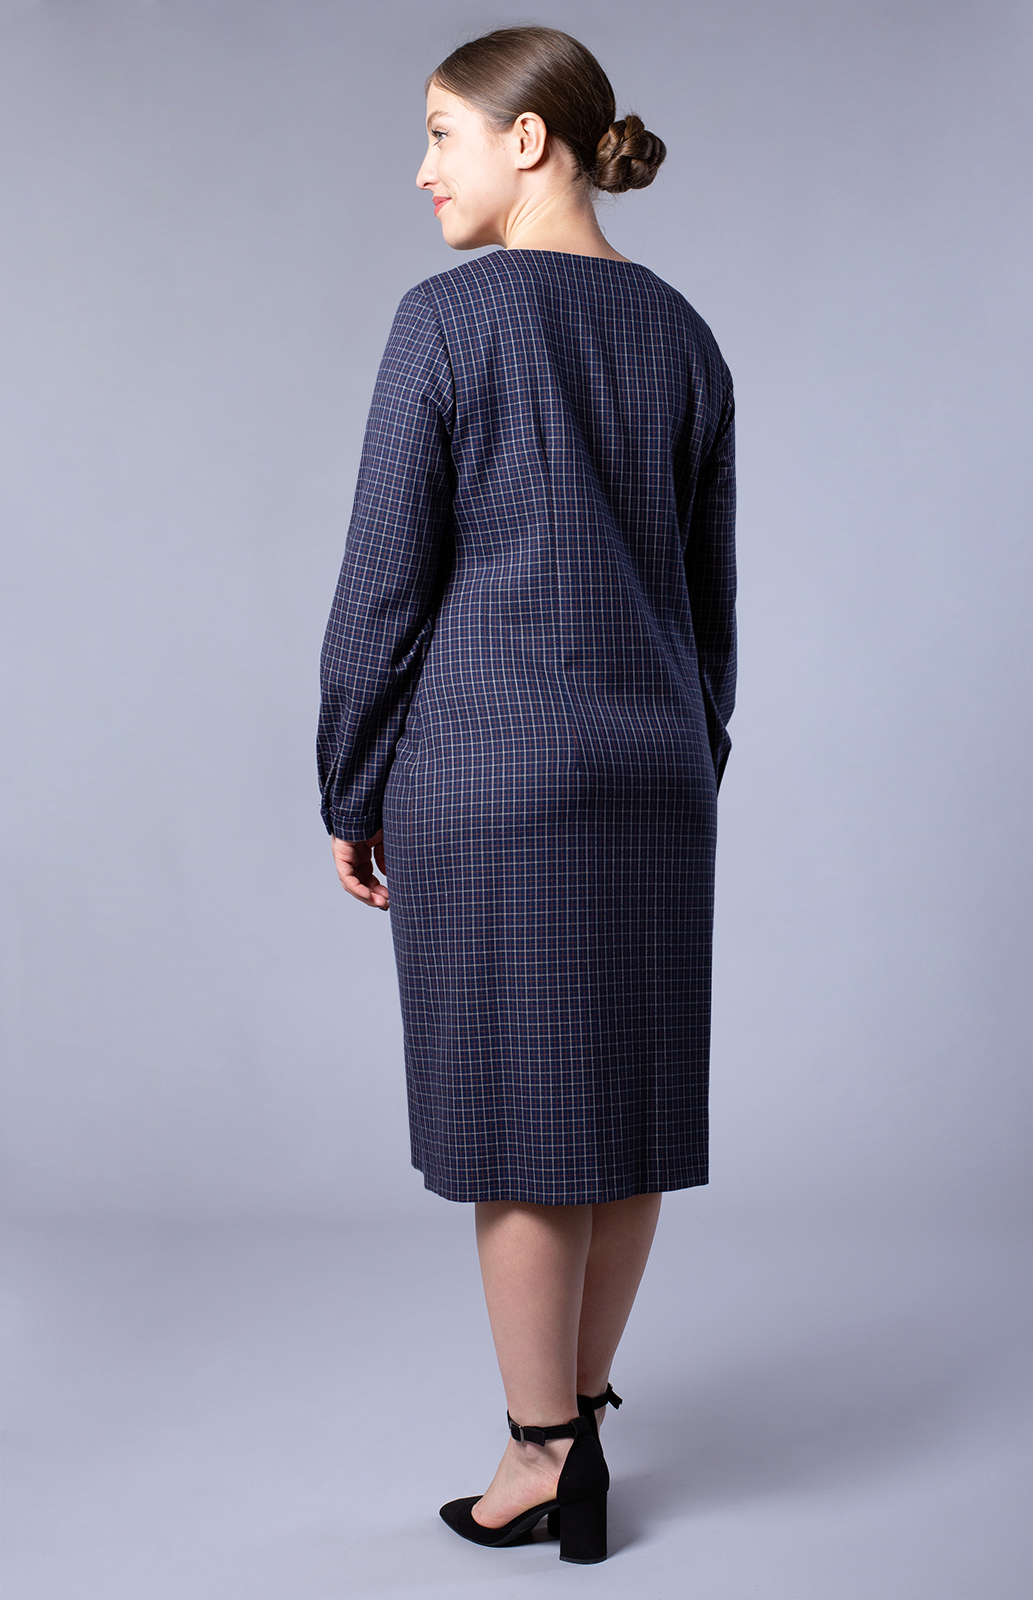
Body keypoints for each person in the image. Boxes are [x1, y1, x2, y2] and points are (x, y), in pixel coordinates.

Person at [317, 25, 736, 1565]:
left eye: (443, 133)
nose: (424, 169)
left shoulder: (447, 322)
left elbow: (382, 588)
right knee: (623, 1117)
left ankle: (540, 1452)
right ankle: (584, 1418)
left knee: (524, 1132)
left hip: (494, 778)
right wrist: (692, 752)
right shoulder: (683, 335)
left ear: (530, 140)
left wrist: (350, 782)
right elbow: (710, 608)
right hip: (657, 776)